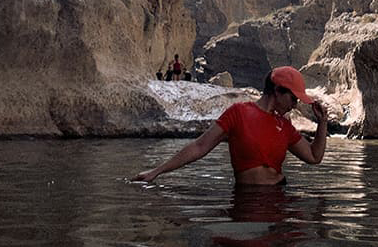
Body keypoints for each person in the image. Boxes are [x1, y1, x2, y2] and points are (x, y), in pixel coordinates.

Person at [135, 66, 328, 186]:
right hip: (245, 198)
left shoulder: (285, 126)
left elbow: (314, 157)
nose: (295, 105)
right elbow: (199, 146)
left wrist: (323, 123)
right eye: (293, 98)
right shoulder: (238, 113)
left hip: (278, 195)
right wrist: (155, 172)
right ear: (277, 91)